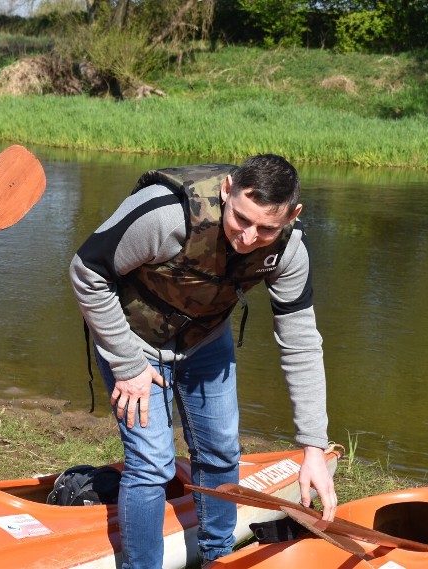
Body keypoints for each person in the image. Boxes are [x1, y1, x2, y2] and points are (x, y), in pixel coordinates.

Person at [69, 154, 337, 567]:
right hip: (131, 339)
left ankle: (217, 557)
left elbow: (301, 341)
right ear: (227, 190)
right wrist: (127, 366)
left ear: (293, 215)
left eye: (267, 228)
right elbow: (87, 271)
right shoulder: (163, 215)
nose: (249, 238)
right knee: (152, 464)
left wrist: (314, 447)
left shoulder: (289, 250)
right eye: (242, 220)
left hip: (205, 340)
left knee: (221, 453)